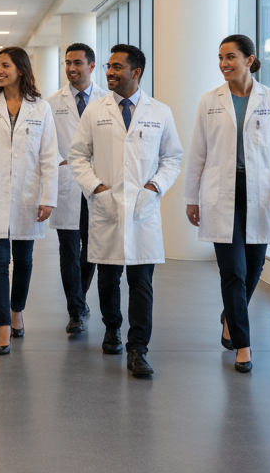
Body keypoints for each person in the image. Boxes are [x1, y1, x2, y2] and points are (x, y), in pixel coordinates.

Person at [183, 35, 270, 374]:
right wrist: (191, 198)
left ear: (249, 60)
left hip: (260, 192)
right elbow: (198, 153)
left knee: (253, 267)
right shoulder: (210, 101)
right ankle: (243, 345)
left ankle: (230, 317)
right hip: (220, 192)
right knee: (232, 271)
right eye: (220, 57)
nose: (223, 64)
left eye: (230, 57)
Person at [68, 44, 183, 378]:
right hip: (106, 206)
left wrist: (155, 187)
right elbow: (78, 155)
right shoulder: (95, 110)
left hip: (143, 210)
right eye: (108, 66)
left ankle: (138, 349)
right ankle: (112, 328)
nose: (109, 72)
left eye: (117, 67)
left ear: (136, 72)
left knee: (141, 281)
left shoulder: (160, 112)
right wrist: (96, 188)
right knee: (108, 277)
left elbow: (172, 157)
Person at [0, 47, 59, 355]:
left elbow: (48, 156)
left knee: (24, 260)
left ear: (21, 69)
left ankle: (17, 310)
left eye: (5, 65)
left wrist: (48, 197)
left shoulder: (41, 108)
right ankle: (3, 324)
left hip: (28, 193)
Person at [45, 43, 109, 335]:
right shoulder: (51, 103)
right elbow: (46, 145)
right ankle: (76, 310)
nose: (71, 68)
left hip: (98, 183)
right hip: (67, 183)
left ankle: (79, 299)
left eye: (77, 63)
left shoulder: (107, 100)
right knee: (69, 249)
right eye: (67, 63)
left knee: (91, 249)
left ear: (91, 66)